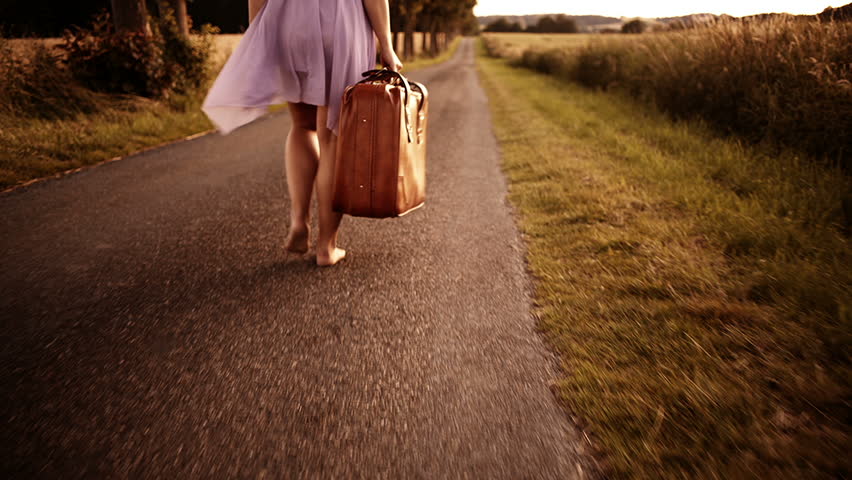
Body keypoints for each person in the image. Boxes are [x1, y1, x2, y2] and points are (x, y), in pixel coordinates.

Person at [202, 0, 403, 266]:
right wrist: (386, 45)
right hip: (341, 25)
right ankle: (326, 248)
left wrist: (259, 34)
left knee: (301, 125)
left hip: (289, 22)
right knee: (332, 138)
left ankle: (299, 221)